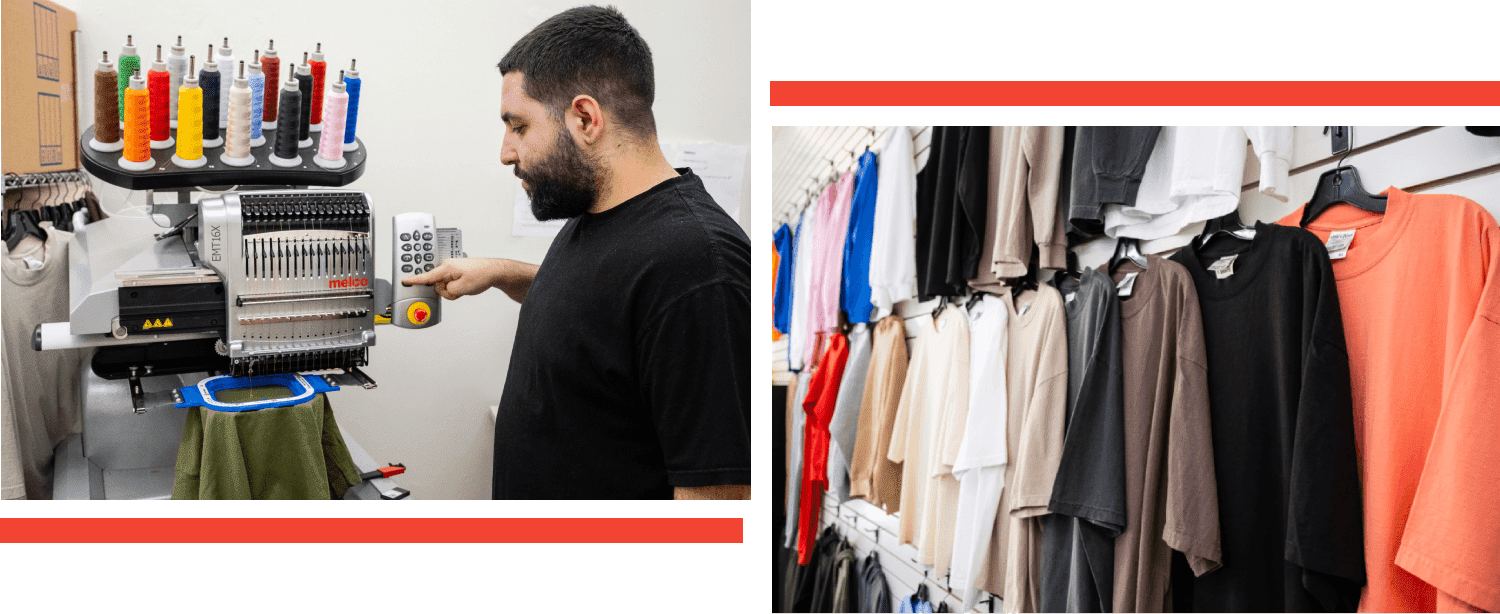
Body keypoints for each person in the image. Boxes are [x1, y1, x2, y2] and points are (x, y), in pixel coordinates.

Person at [403, 6, 751, 500]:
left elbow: (718, 504)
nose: (506, 151)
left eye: (518, 126)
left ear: (585, 118)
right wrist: (501, 273)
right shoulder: (602, 214)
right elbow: (600, 312)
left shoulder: (700, 267)